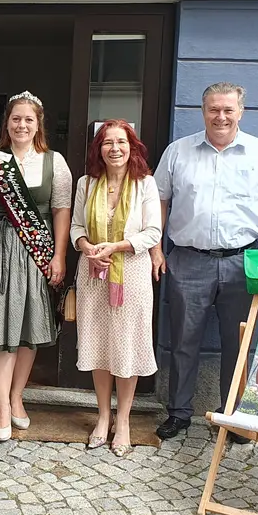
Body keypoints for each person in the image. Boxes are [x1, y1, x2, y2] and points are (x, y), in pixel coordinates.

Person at [151, 83, 258, 443]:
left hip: (244, 263)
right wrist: (156, 247)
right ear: (203, 111)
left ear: (241, 112)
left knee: (240, 342)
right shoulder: (177, 152)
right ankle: (179, 413)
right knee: (182, 341)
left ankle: (234, 417)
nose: (221, 116)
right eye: (214, 109)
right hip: (187, 260)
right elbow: (158, 201)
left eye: (228, 110)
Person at [0, 92, 73, 440]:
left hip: (37, 251)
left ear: (38, 123)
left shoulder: (55, 162)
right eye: (16, 119)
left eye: (29, 119)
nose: (22, 125)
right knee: (2, 326)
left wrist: (58, 255)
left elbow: (61, 211)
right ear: (7, 122)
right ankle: (0, 404)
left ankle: (17, 396)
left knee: (30, 325)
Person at [71, 120, 162, 456]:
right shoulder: (86, 183)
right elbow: (77, 226)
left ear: (132, 146)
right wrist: (86, 247)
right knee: (98, 344)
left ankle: (122, 420)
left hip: (132, 274)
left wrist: (116, 247)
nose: (115, 148)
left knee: (126, 346)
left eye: (121, 142)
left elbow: (153, 232)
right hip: (93, 271)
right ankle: (102, 415)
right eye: (107, 142)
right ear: (99, 149)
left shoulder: (145, 185)